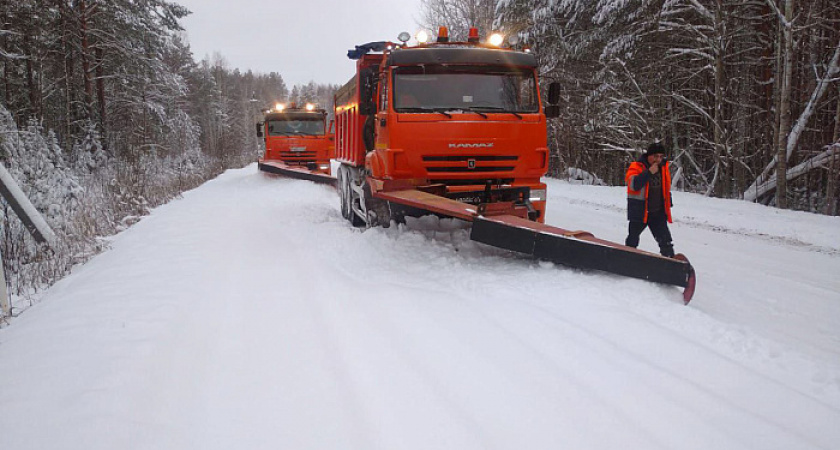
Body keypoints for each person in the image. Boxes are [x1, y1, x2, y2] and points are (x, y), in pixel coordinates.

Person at [625, 142, 676, 257]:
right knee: (632, 240)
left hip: (657, 213)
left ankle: (670, 262)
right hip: (640, 211)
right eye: (655, 156)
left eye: (661, 156)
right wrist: (648, 173)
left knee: (666, 241)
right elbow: (633, 185)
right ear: (649, 155)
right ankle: (627, 259)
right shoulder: (636, 166)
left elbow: (665, 189)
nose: (658, 159)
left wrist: (668, 203)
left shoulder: (663, 168)